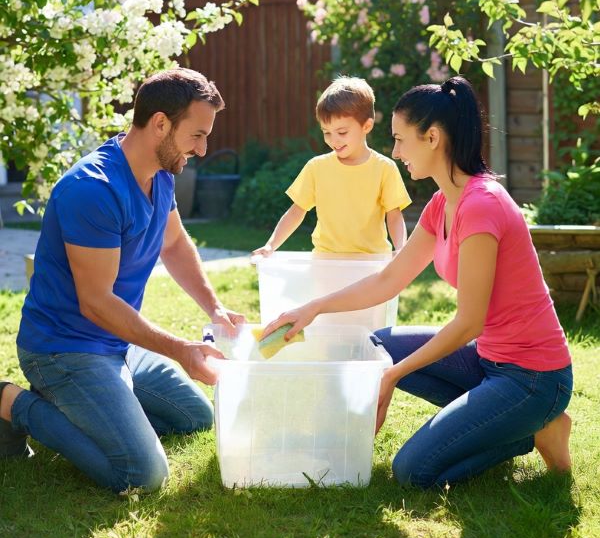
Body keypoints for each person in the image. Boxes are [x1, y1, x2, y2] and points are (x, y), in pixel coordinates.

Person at [262, 76, 573, 488]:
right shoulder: (443, 201)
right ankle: (506, 421)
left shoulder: (482, 206)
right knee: (378, 344)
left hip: (532, 375)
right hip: (488, 359)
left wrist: (392, 376)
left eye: (400, 139)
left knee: (413, 472)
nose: (394, 152)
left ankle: (532, 427)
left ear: (432, 138)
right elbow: (389, 279)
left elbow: (469, 322)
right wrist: (312, 308)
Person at [0, 68, 245, 493]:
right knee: (142, 474)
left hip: (117, 345)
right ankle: (12, 404)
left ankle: (98, 413)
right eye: (198, 135)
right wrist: (179, 349)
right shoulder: (92, 189)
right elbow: (95, 302)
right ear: (161, 124)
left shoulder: (162, 174)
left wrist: (214, 308)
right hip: (64, 350)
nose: (203, 150)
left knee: (194, 417)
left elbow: (174, 244)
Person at [252, 76, 411, 257]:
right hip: (326, 261)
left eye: (342, 132)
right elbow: (296, 211)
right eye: (326, 132)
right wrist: (270, 246)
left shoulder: (385, 168)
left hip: (371, 262)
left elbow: (394, 215)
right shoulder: (316, 168)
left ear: (366, 126)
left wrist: (401, 250)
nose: (333, 140)